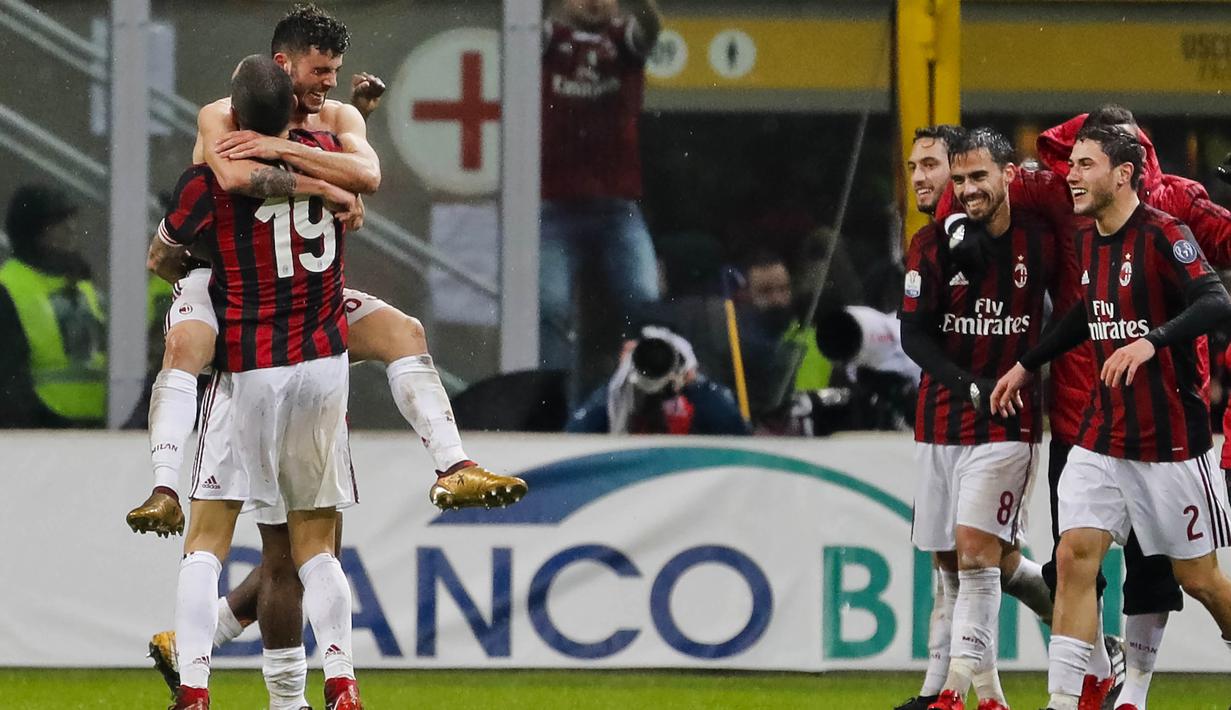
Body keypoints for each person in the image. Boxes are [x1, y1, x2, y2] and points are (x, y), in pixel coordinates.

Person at [125, 5, 525, 707]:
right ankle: (168, 493)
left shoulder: (333, 118)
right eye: (318, 73)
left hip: (286, 316)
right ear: (284, 66)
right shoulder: (224, 115)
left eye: (334, 76)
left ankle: (453, 464)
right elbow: (228, 183)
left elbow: (350, 170)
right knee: (193, 354)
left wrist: (336, 135)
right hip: (232, 297)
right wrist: (327, 178)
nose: (329, 84)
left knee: (400, 333)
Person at [937, 103, 1231, 709]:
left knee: (1196, 579)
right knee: (1073, 558)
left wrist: (1150, 343)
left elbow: (1213, 300)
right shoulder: (1090, 235)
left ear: (1123, 174)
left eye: (1084, 165)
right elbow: (1082, 311)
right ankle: (1066, 702)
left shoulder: (1164, 231)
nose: (1069, 174)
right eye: (1071, 163)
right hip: (1100, 434)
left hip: (1170, 439)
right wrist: (1029, 361)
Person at [154, 54, 365, 710]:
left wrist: (190, 272)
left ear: (233, 116)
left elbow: (161, 254)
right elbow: (361, 174)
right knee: (315, 546)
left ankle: (194, 688)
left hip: (252, 368)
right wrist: (329, 190)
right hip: (324, 365)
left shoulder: (208, 180)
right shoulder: (326, 155)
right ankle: (340, 684)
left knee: (208, 540)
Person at [899, 128, 1060, 710]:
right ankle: (990, 696)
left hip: (1006, 424)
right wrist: (968, 383)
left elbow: (1075, 308)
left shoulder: (1040, 238)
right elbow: (913, 334)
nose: (924, 177)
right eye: (915, 166)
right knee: (953, 562)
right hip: (939, 421)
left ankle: (948, 690)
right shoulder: (929, 244)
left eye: (933, 166)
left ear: (1005, 174)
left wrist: (1027, 367)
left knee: (974, 556)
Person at [540, 0, 663, 400]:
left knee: (645, 301)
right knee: (550, 308)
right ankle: (553, 411)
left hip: (616, 205)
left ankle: (651, 396)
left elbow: (650, 25)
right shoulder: (545, 37)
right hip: (554, 205)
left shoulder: (622, 39)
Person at [0, 185, 105, 428]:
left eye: (70, 219)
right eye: (57, 222)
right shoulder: (9, 287)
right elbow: (8, 377)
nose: (71, 228)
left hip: (96, 427)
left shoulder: (82, 284)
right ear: (33, 232)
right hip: (42, 429)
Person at [566, 324, 749, 435]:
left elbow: (738, 436)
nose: (655, 362)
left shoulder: (700, 398)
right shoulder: (616, 400)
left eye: (664, 355)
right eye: (646, 354)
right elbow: (575, 437)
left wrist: (694, 383)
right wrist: (619, 381)